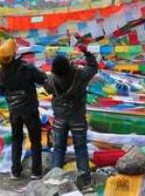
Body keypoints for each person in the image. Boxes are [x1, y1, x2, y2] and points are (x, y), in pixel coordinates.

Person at [45, 41, 98, 189]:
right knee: (80, 149)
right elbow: (93, 67)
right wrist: (86, 53)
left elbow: (48, 90)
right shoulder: (81, 75)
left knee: (58, 148)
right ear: (69, 66)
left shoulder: (51, 80)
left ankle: (55, 180)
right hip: (78, 117)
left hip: (59, 118)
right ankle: (85, 181)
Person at [0, 39, 47, 179]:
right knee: (35, 140)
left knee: (16, 140)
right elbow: (42, 79)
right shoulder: (26, 68)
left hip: (14, 111)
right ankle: (36, 171)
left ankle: (16, 171)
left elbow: (1, 92)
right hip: (30, 109)